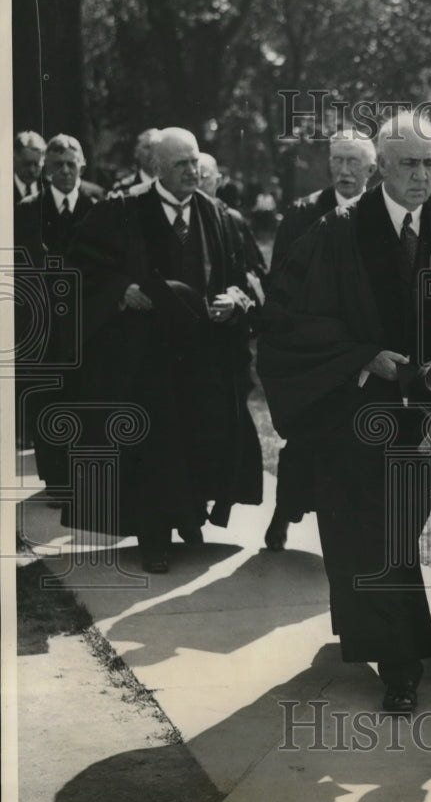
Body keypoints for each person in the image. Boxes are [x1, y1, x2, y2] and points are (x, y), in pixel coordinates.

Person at [258, 112, 431, 713]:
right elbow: (294, 320)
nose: (420, 175)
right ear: (380, 165)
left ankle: (379, 636)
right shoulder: (338, 230)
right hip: (355, 412)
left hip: (428, 420)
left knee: (389, 535)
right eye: (408, 162)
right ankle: (402, 664)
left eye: (430, 162)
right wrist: (364, 357)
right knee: (374, 534)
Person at [65, 127, 263, 573]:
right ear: (156, 167)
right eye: (181, 164)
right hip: (143, 360)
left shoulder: (216, 214)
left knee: (194, 437)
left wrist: (234, 300)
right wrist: (122, 289)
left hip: (200, 356)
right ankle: (154, 536)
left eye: (195, 161)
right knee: (153, 446)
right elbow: (81, 268)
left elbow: (240, 275)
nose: (193, 171)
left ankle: (187, 517)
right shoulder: (122, 211)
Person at [264, 129, 377, 551]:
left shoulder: (378, 214)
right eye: (338, 161)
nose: (344, 170)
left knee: (351, 447)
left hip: (360, 349)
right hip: (313, 348)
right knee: (304, 441)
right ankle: (283, 514)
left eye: (354, 162)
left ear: (372, 168)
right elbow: (281, 281)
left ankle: (343, 534)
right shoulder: (303, 212)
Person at [14, 134, 100, 489]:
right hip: (44, 321)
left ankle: (82, 474)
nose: (65, 171)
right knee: (48, 397)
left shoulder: (101, 205)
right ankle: (54, 478)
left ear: (82, 165)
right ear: (46, 170)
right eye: (57, 165)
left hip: (89, 319)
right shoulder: (28, 209)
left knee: (84, 394)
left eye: (71, 163)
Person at [198, 151, 268, 312]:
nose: (198, 184)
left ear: (218, 181)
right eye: (195, 177)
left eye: (204, 177)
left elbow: (255, 266)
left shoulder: (232, 219)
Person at [110, 127, 161, 195]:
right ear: (136, 152)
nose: (152, 152)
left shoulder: (173, 185)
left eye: (157, 147)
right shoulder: (124, 187)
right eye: (147, 147)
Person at [13, 130, 46, 204]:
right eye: (26, 164)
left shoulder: (49, 189)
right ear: (14, 160)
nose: (32, 170)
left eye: (36, 164)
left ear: (43, 162)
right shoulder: (4, 187)